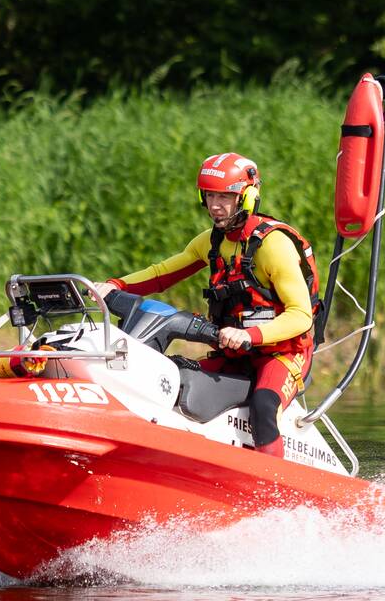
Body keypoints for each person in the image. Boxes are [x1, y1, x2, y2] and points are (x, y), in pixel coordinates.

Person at [94, 152, 319, 458]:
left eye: (225, 197)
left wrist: (249, 335)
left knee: (264, 407)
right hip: (236, 353)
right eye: (210, 195)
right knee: (169, 377)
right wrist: (115, 285)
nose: (215, 206)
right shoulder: (211, 242)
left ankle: (272, 499)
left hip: (283, 354)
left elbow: (301, 316)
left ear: (247, 197)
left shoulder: (273, 246)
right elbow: (161, 274)